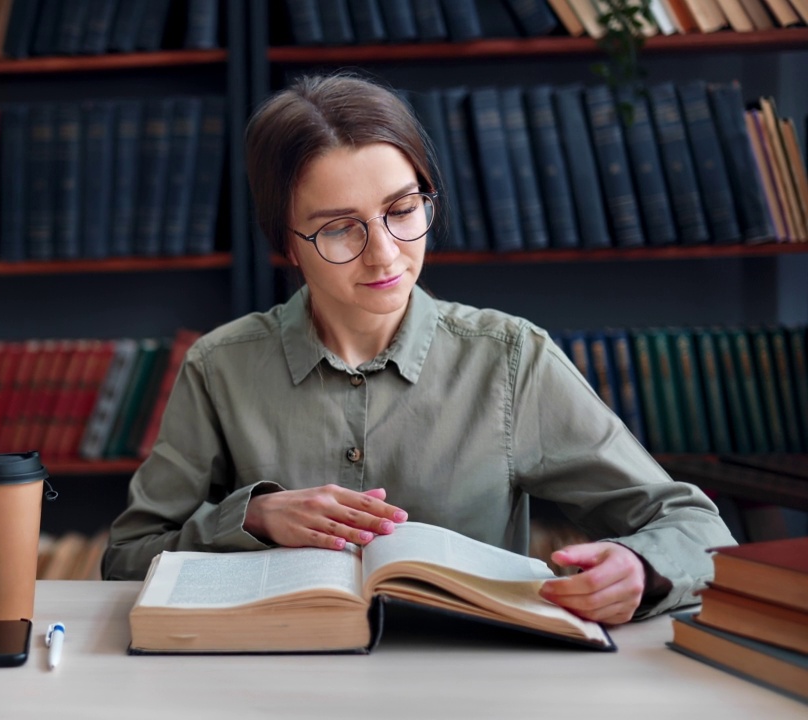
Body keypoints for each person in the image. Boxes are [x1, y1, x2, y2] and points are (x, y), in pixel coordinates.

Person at [101, 73, 736, 624]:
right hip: (278, 682)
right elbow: (127, 559)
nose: (385, 253)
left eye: (402, 210)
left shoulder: (510, 359)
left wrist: (639, 566)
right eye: (339, 228)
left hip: (475, 681)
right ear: (287, 244)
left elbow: (696, 528)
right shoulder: (220, 367)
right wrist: (255, 518)